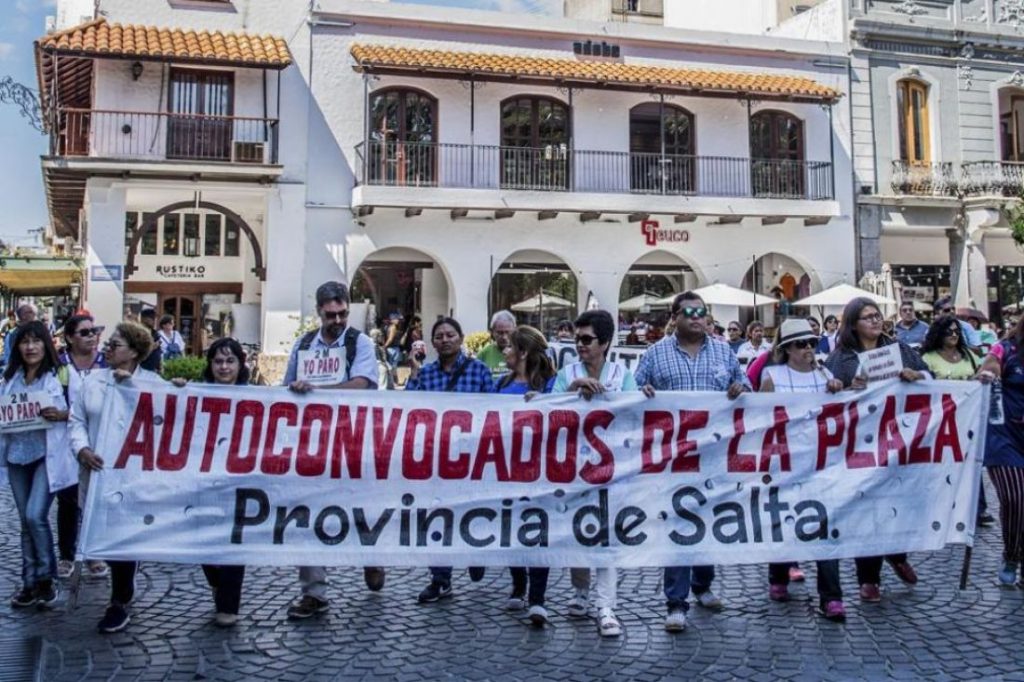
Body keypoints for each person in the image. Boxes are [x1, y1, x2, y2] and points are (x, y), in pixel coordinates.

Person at [635, 291, 750, 632]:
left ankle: (703, 584)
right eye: (690, 312)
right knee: (680, 524)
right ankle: (676, 601)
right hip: (674, 456)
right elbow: (634, 390)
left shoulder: (723, 350)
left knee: (709, 519)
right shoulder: (655, 355)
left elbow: (742, 383)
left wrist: (740, 388)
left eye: (702, 312)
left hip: (714, 454)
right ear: (675, 317)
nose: (697, 317)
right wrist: (643, 396)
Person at [282, 281, 384, 619]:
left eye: (343, 313)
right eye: (331, 314)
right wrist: (298, 390)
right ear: (319, 312)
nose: (337, 320)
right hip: (313, 443)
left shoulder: (361, 343)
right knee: (308, 513)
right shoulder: (303, 345)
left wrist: (318, 390)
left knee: (360, 510)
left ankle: (371, 557)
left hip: (354, 439)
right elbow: (287, 389)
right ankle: (314, 592)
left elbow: (363, 384)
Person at [824, 297, 930, 603]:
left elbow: (931, 377)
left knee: (895, 500)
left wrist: (917, 376)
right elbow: (827, 395)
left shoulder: (899, 350)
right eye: (867, 317)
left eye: (878, 315)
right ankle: (868, 578)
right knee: (866, 509)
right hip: (858, 443)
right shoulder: (841, 358)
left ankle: (896, 553)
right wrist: (844, 389)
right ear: (853, 324)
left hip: (897, 438)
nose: (875, 321)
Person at [70, 322, 165, 633]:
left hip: (133, 476)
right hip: (97, 472)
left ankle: (120, 599)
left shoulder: (152, 383)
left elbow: (167, 421)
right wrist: (82, 448)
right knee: (103, 534)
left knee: (123, 536)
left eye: (115, 345)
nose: (107, 349)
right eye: (107, 344)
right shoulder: (92, 381)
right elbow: (77, 419)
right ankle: (122, 586)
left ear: (135, 353)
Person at [553, 310, 636, 638]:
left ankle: (606, 605)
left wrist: (639, 396)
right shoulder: (567, 372)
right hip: (574, 466)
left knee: (605, 538)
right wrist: (573, 389)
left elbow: (632, 413)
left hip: (612, 469)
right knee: (578, 535)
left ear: (604, 343)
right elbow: (551, 409)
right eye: (577, 339)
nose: (580, 345)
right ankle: (580, 592)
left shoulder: (622, 373)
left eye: (587, 339)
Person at [759, 318, 848, 622]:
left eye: (812, 342)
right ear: (786, 349)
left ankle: (831, 596)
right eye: (801, 344)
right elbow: (762, 416)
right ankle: (778, 575)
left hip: (819, 461)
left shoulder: (825, 374)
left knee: (824, 523)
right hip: (784, 459)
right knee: (783, 519)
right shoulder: (772, 376)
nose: (808, 349)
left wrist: (839, 389)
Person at [406, 317, 495, 602]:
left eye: (450, 334)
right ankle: (440, 577)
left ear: (461, 338)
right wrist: (412, 373)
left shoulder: (479, 371)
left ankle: (474, 551)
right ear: (432, 342)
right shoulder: (425, 374)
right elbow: (407, 409)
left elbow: (496, 412)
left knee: (472, 510)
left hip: (471, 458)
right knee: (437, 516)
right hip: (436, 458)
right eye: (439, 336)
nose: (445, 339)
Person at [1, 321, 76, 610]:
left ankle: (47, 578)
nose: (30, 347)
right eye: (25, 342)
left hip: (47, 456)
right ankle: (29, 582)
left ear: (46, 344)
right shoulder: (11, 379)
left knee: (35, 515)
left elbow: (82, 411)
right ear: (17, 347)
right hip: (17, 455)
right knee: (24, 521)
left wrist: (62, 414)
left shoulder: (59, 375)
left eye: (36, 341)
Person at [495, 326, 557, 626]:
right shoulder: (501, 384)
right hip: (506, 467)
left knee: (538, 531)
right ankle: (518, 583)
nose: (504, 351)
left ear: (524, 353)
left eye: (509, 348)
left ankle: (537, 597)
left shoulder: (549, 385)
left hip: (540, 468)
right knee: (511, 530)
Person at [919, 315, 996, 527]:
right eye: (948, 331)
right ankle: (943, 505)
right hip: (941, 421)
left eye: (956, 331)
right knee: (944, 463)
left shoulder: (969, 355)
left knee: (972, 462)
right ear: (938, 334)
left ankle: (977, 508)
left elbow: (981, 373)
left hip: (969, 418)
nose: (953, 335)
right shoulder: (928, 358)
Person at [196, 338, 250, 626]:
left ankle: (229, 604)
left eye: (230, 361)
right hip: (205, 477)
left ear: (240, 365)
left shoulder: (254, 397)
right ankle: (216, 580)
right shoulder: (197, 392)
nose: (224, 367)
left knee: (235, 538)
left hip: (240, 478)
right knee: (202, 535)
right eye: (218, 361)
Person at [55, 314, 109, 580]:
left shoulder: (106, 363)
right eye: (85, 332)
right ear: (69, 338)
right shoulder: (59, 365)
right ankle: (66, 554)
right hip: (64, 441)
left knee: (95, 499)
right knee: (68, 498)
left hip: (100, 439)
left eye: (94, 332)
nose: (92, 337)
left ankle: (92, 553)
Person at [979, 317, 1024, 586]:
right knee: (1015, 497)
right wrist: (988, 373)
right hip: (1004, 436)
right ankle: (1011, 555)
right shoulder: (1005, 348)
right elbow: (991, 365)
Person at [476, 310, 516, 378]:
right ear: (492, 332)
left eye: (508, 332)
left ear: (514, 330)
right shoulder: (484, 354)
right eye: (500, 333)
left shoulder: (522, 353)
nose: (504, 337)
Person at [2, 303, 38, 367]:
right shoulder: (12, 334)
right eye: (30, 312)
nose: (33, 314)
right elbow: (7, 358)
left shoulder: (38, 332)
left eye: (32, 312)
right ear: (22, 316)